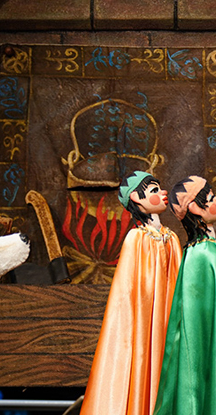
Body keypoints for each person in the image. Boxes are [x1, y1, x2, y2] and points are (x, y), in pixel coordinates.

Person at [80, 171, 182, 415]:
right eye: (154, 190)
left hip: (169, 319)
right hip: (144, 321)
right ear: (136, 197)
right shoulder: (136, 239)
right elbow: (126, 292)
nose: (163, 193)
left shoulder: (172, 238)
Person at [153, 176, 216, 415]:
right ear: (195, 208)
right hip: (209, 351)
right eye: (210, 198)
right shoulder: (204, 254)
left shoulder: (207, 250)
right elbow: (197, 327)